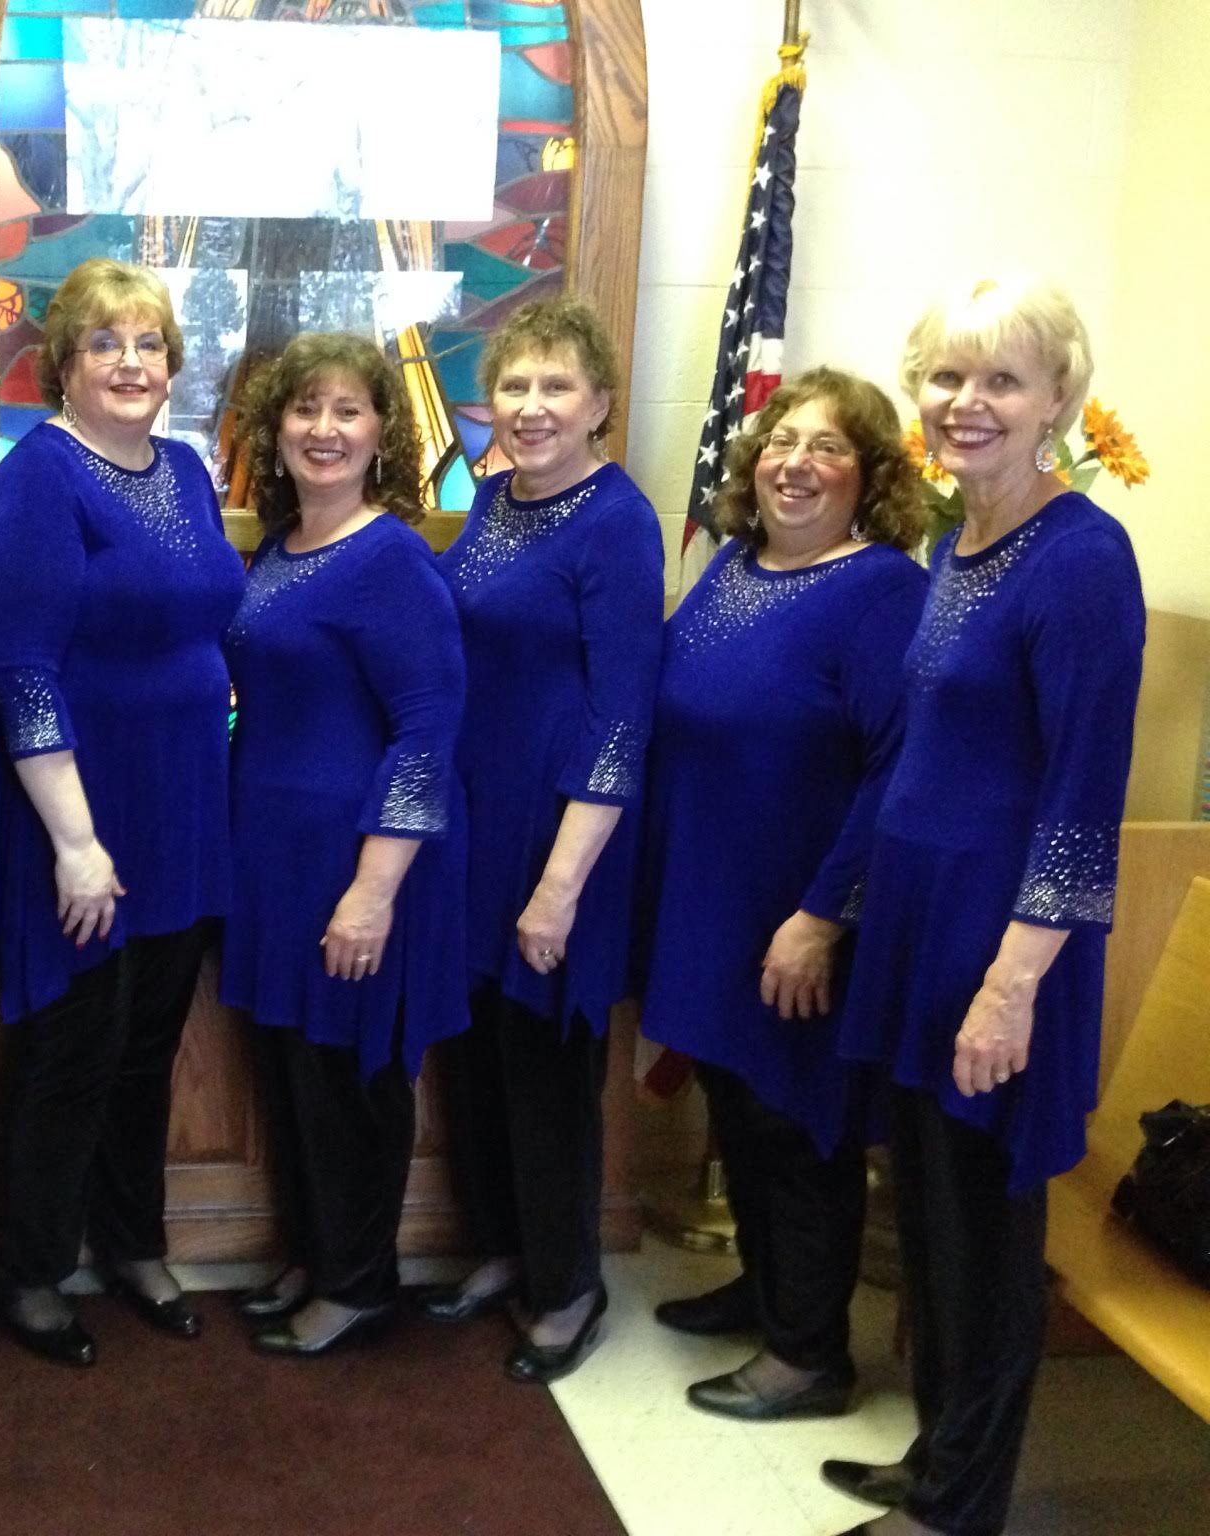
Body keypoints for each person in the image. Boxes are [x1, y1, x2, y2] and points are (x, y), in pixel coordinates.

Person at [819, 278, 1145, 1536]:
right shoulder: (956, 543)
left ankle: (961, 1508)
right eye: (947, 379)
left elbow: (1079, 797)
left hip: (997, 951)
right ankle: (934, 1458)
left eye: (1000, 381)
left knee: (984, 1242)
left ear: (1060, 398)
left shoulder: (1079, 560)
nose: (966, 404)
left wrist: (1010, 989)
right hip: (919, 931)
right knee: (930, 1219)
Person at [633, 368, 929, 1420]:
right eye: (780, 442)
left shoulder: (884, 592)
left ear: (870, 478)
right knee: (738, 1108)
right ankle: (765, 1290)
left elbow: (897, 766)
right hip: (708, 902)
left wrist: (818, 918)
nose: (794, 464)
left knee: (797, 1125)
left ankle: (808, 1357)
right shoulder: (733, 569)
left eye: (827, 449)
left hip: (795, 913)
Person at [0, 257, 244, 1365]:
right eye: (104, 344)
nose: (131, 363)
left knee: (146, 1051)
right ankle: (32, 1269)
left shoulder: (182, 469)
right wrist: (76, 844)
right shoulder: (36, 479)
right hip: (79, 811)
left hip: (184, 802)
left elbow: (207, 625)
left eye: (148, 344)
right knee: (70, 1052)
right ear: (61, 367)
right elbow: (21, 669)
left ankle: (133, 1244)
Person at [219, 332, 468, 1357]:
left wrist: (370, 892)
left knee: (351, 1081)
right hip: (272, 856)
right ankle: (317, 1252)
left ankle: (359, 1283)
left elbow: (426, 730)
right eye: (304, 410)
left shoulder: (389, 558)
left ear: (380, 433)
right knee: (292, 1074)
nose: (324, 430)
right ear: (275, 430)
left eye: (348, 411)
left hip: (357, 860)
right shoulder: (279, 549)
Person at [429, 297, 664, 1382]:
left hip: (555, 829)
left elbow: (622, 716)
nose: (528, 408)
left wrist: (560, 886)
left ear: (599, 405)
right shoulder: (491, 502)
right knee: (475, 1054)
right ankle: (503, 1246)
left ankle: (568, 1286)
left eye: (553, 387)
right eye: (513, 386)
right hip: (476, 821)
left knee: (545, 1068)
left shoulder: (616, 520)